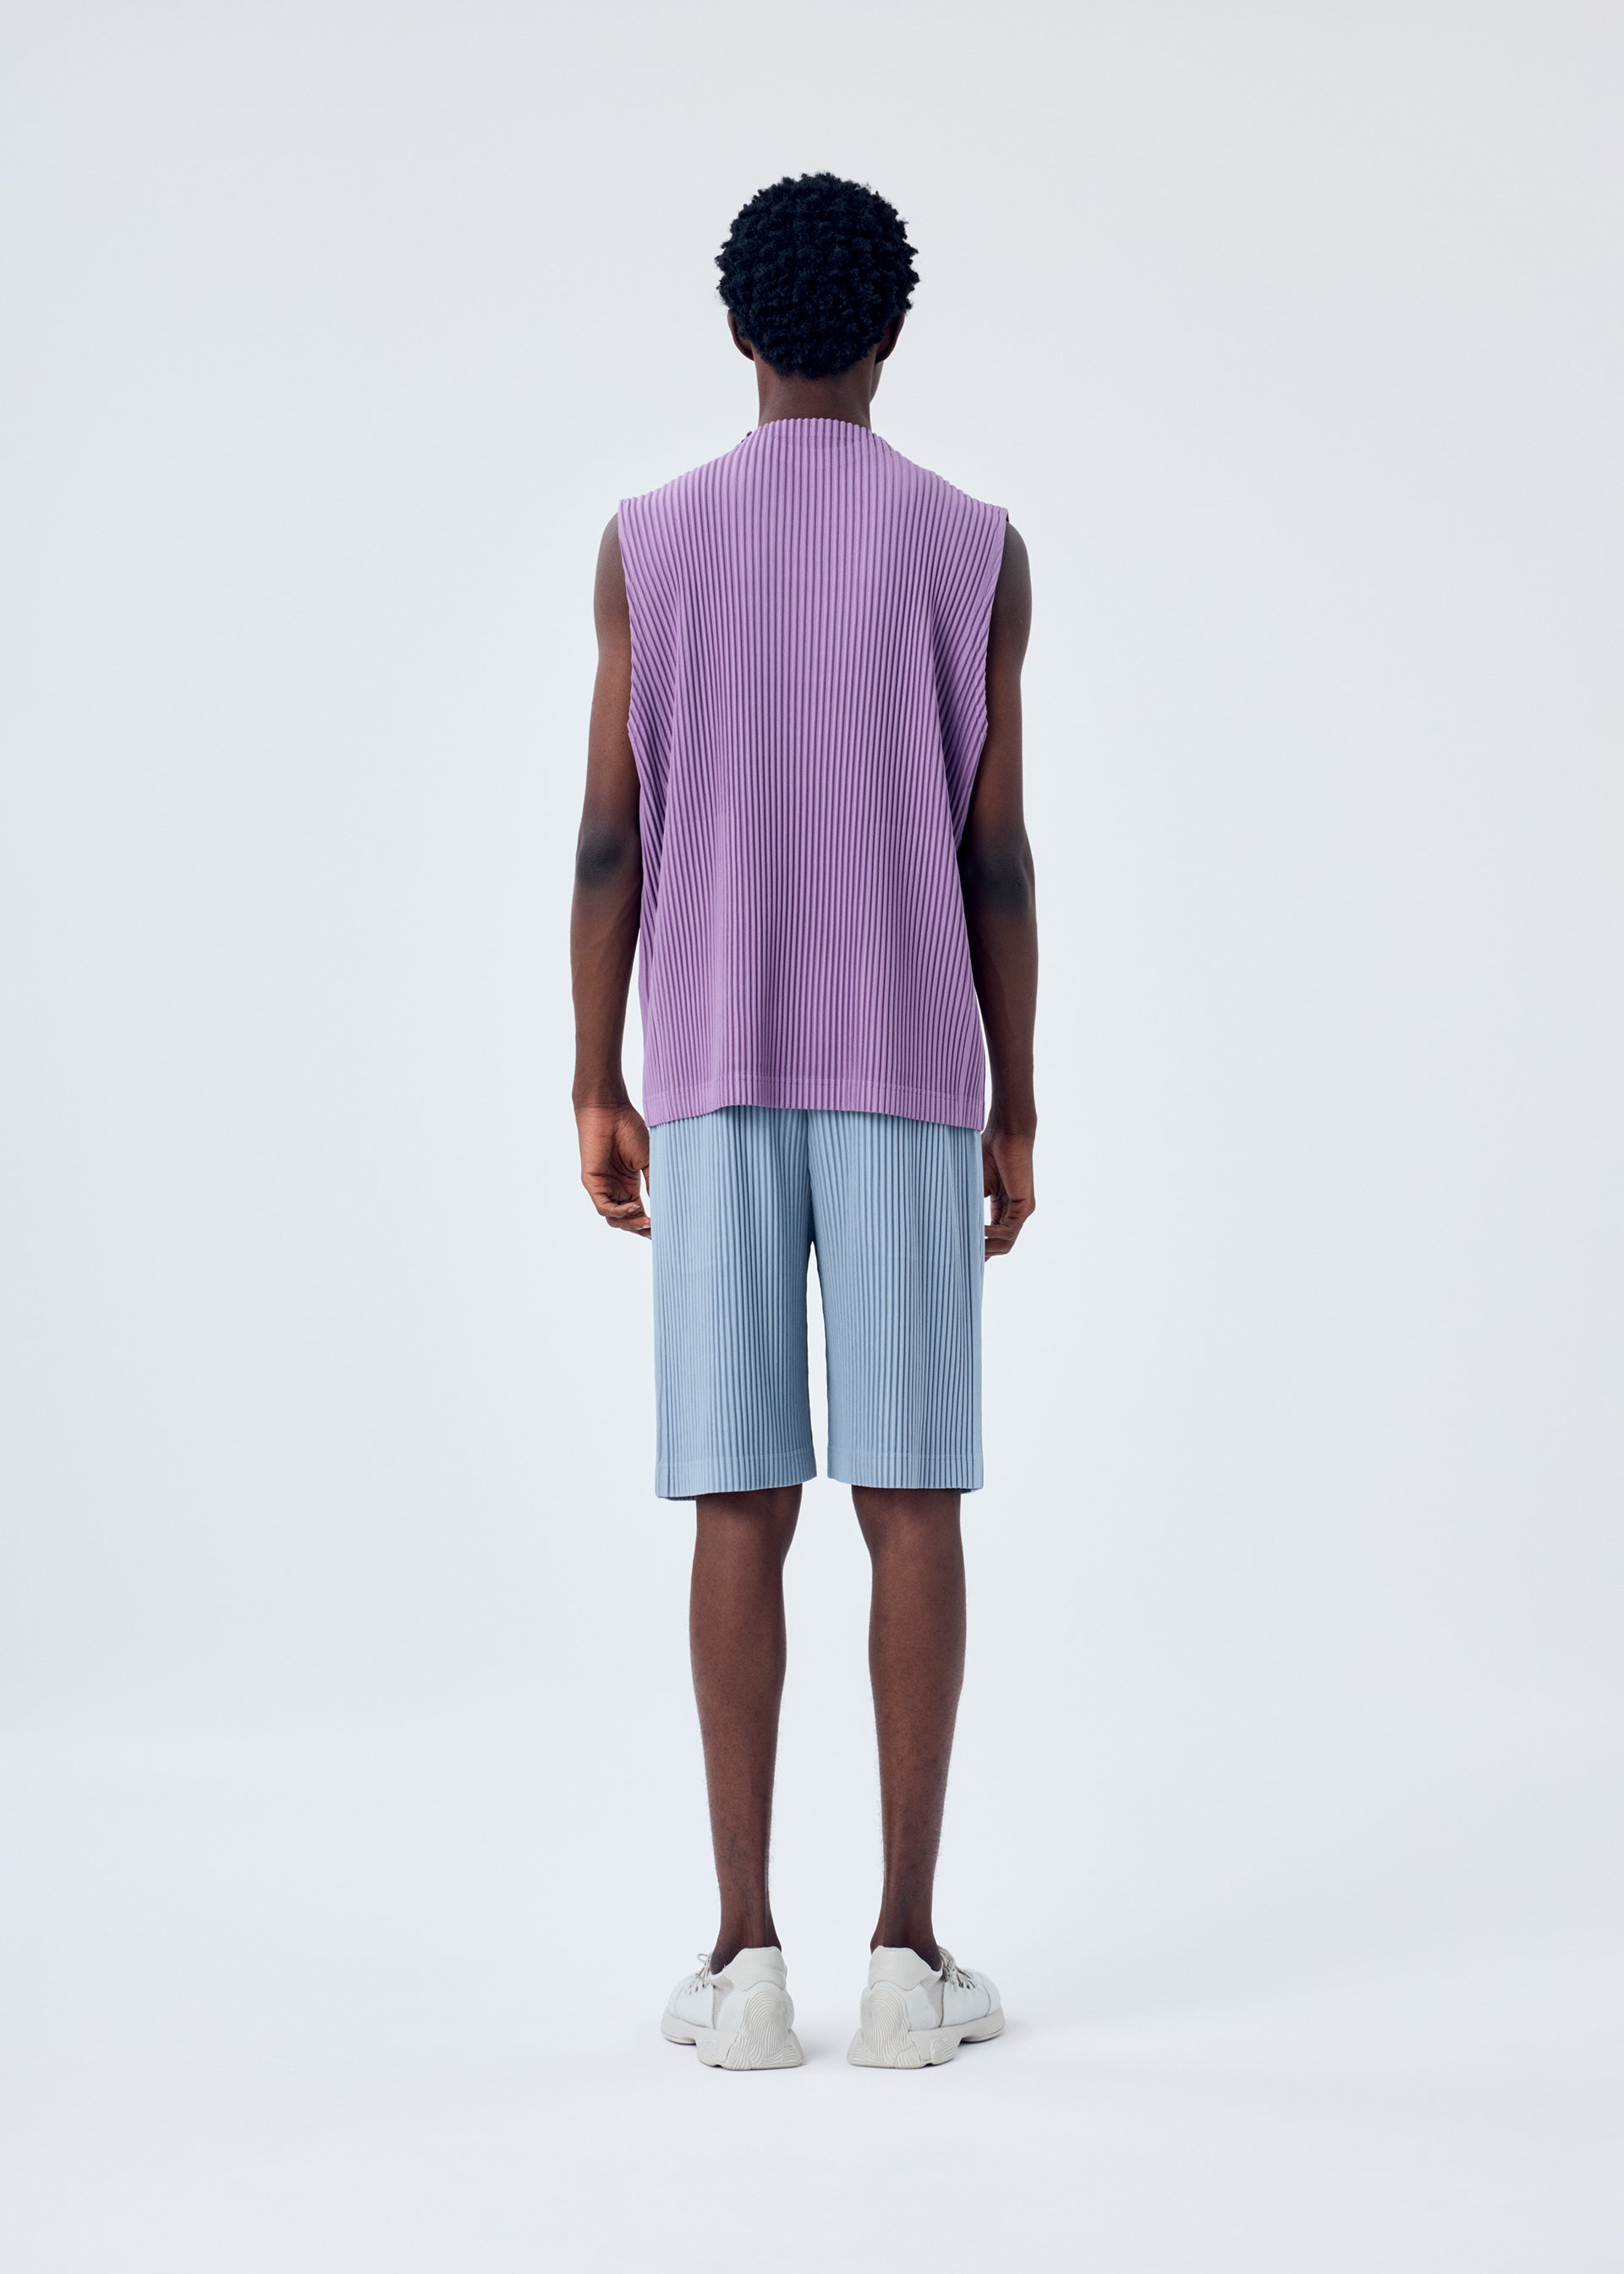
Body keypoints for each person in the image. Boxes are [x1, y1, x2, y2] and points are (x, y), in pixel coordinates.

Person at [570, 173, 1037, 2071]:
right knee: (911, 1500)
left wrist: (593, 1076)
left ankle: (745, 1962)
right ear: (892, 334)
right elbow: (997, 857)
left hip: (711, 1063)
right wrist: (1020, 1104)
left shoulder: (650, 541)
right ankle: (908, 1964)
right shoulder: (975, 546)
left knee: (739, 1502)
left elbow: (609, 840)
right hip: (914, 1067)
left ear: (738, 330)